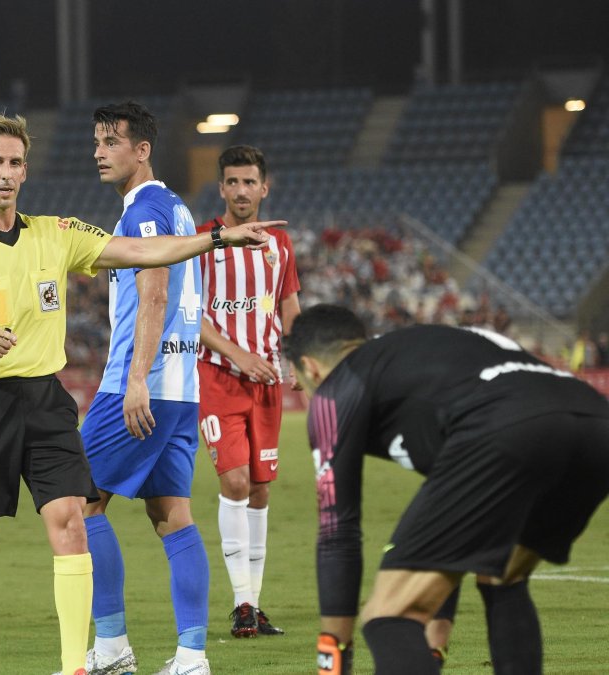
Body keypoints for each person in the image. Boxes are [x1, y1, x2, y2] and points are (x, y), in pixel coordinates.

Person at [0, 113, 282, 675]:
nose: (6, 174)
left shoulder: (56, 233)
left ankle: (81, 664)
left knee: (74, 521)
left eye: (15, 163)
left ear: (26, 171)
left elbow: (146, 255)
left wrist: (219, 236)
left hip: (46, 403)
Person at [282, 304, 609, 675]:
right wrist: (435, 643)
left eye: (299, 379)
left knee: (389, 616)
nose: (299, 388)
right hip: (593, 423)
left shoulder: (337, 387)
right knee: (504, 578)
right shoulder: (416, 354)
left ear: (310, 367)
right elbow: (451, 534)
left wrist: (334, 656)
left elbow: (337, 531)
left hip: (506, 426)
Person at [77, 101, 211, 675]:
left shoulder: (146, 209)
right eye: (98, 142)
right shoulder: (178, 208)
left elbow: (155, 292)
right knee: (172, 516)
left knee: (77, 500)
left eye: (112, 141)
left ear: (142, 149)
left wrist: (135, 379)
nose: (100, 152)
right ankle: (191, 656)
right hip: (183, 389)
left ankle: (110, 648)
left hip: (144, 385)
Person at [195, 145, 299, 638]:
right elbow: (189, 316)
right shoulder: (204, 240)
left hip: (267, 383)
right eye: (231, 182)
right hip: (218, 378)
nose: (240, 190)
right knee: (234, 482)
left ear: (264, 187)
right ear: (221, 189)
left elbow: (289, 306)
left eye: (249, 182)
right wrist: (238, 355)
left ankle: (253, 606)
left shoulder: (280, 244)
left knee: (259, 489)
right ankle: (240, 602)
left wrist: (294, 355)